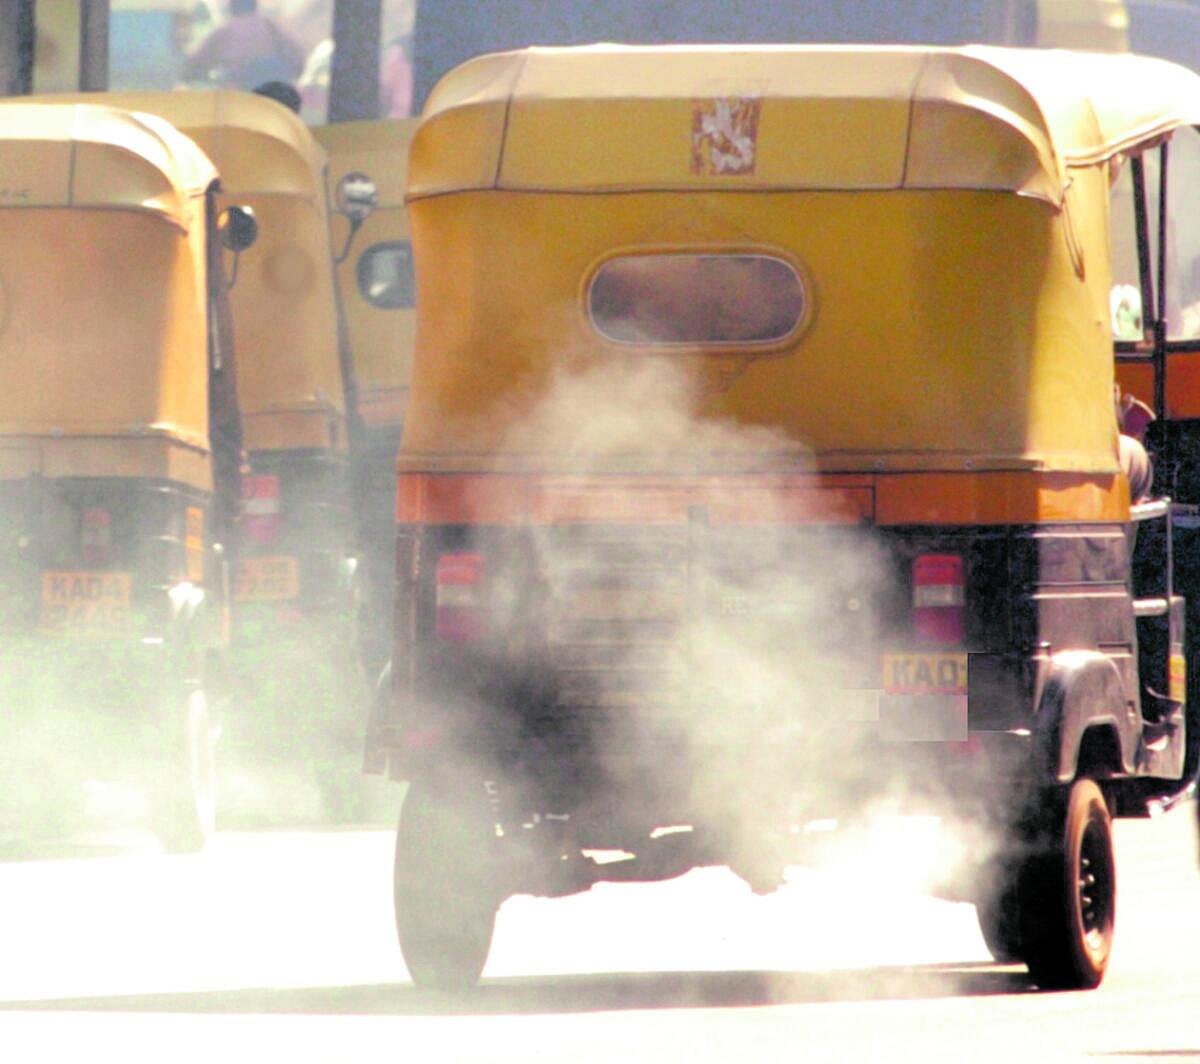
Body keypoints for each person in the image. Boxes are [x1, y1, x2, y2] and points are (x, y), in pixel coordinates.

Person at [183, 0, 305, 91]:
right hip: (272, 100)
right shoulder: (271, 28)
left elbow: (195, 63)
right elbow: (298, 58)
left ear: (231, 6)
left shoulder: (225, 30)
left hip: (238, 99)